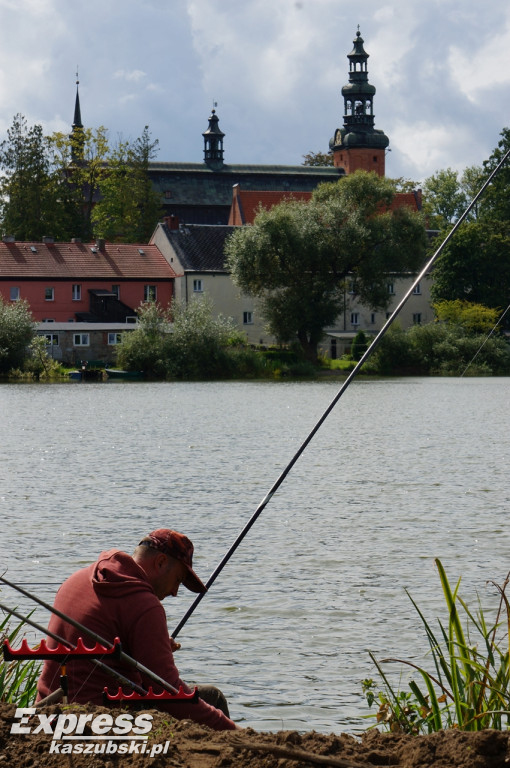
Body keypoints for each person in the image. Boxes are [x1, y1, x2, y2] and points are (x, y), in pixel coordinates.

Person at [37, 529, 240, 730]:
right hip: (100, 717)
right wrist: (234, 731)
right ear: (160, 562)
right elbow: (168, 692)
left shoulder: (77, 579)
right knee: (213, 698)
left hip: (49, 708)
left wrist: (145, 646)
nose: (175, 592)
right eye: (178, 580)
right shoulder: (145, 604)